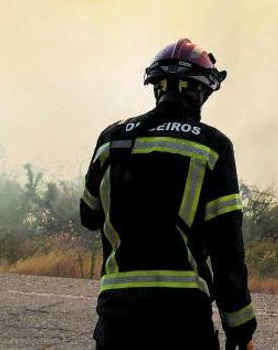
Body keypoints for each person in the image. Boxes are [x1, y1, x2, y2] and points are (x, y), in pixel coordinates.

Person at [80, 38, 257, 349]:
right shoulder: (212, 146)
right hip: (182, 318)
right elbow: (226, 250)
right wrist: (240, 329)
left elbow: (89, 215)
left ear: (156, 87)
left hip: (118, 316)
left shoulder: (112, 138)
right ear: (201, 91)